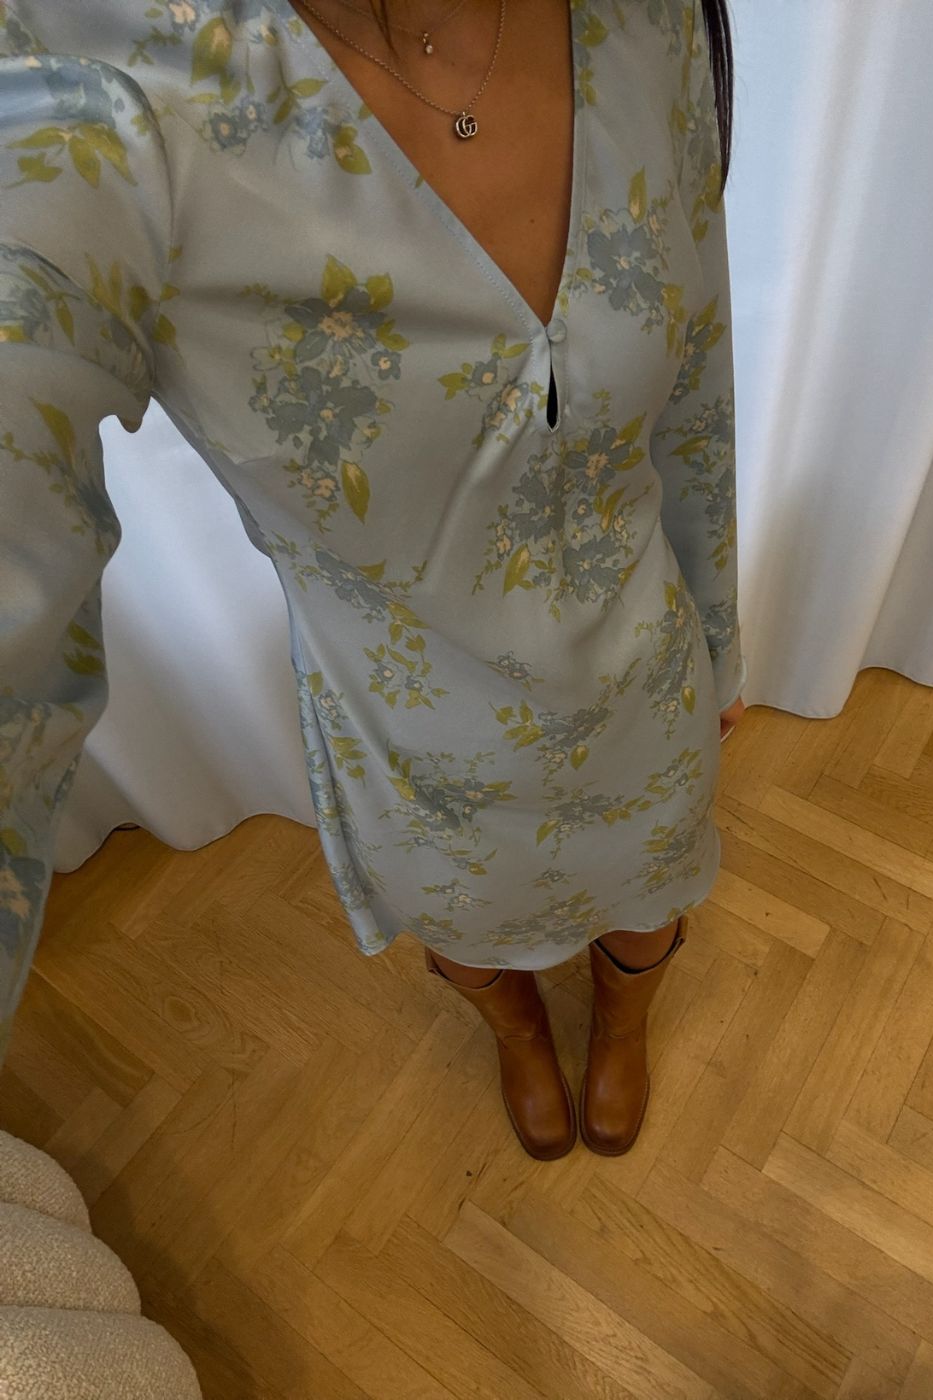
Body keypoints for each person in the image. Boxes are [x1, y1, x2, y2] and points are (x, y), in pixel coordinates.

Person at [0, 0, 747, 1156]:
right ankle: (514, 1029)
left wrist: (721, 635)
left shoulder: (646, 21)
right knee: (468, 932)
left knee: (649, 900)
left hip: (638, 683)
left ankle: (623, 1013)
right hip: (412, 753)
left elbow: (696, 381)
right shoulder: (79, 77)